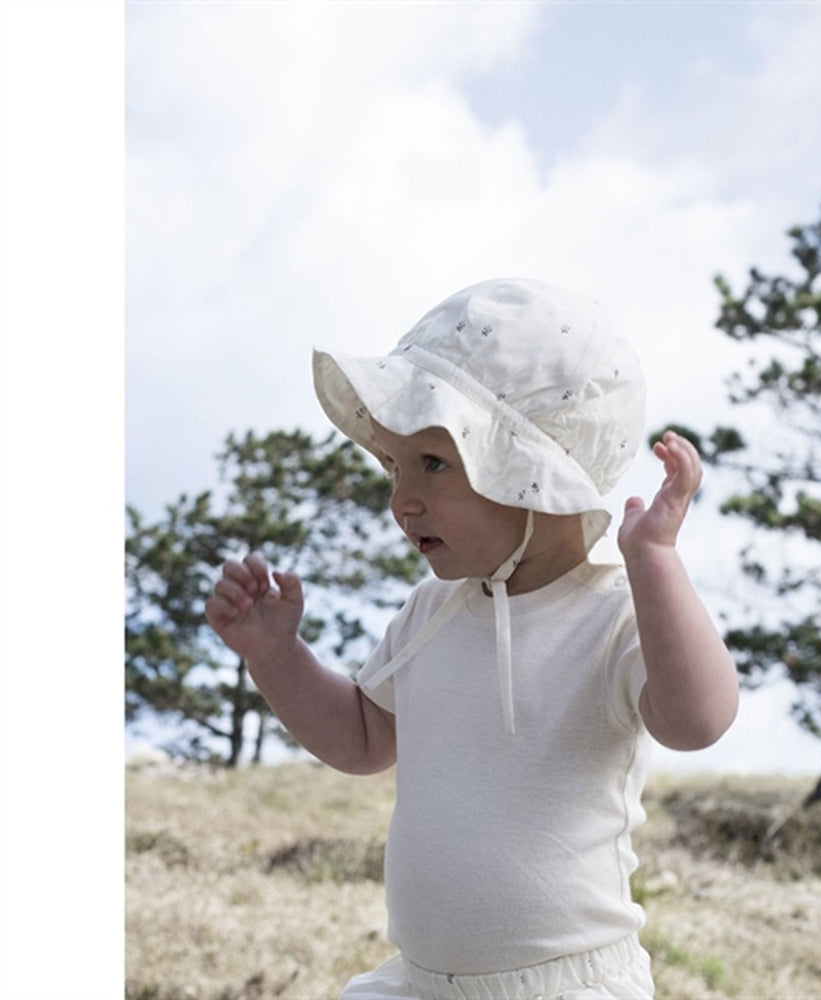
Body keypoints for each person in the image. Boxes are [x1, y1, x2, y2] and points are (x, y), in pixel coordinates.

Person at [206, 278, 739, 1000]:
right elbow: (361, 739)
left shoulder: (614, 614)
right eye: (393, 466)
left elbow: (698, 720)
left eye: (433, 463)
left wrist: (655, 562)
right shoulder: (432, 611)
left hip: (563, 985)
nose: (401, 499)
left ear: (536, 475)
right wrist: (276, 655)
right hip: (423, 982)